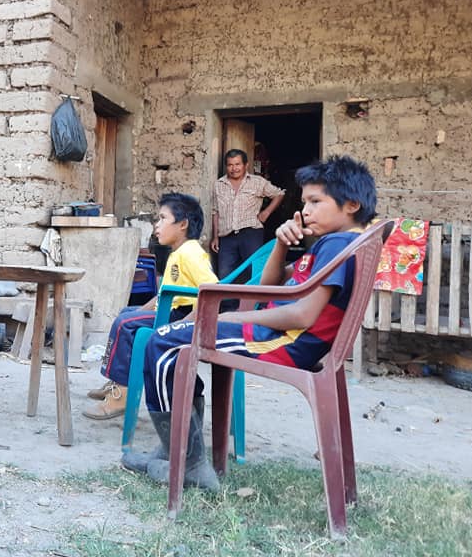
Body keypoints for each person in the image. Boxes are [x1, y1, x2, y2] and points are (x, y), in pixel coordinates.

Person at [123, 155, 377, 489]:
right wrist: (282, 244)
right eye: (305, 202)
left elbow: (302, 314)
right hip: (278, 336)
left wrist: (235, 315)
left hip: (280, 341)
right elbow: (270, 287)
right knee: (173, 341)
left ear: (351, 204)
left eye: (316, 201)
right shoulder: (336, 245)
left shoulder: (337, 245)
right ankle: (181, 451)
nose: (307, 211)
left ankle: (186, 461)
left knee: (161, 342)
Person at [82, 193, 218, 420]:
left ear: (182, 224)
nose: (157, 225)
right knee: (127, 315)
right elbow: (164, 295)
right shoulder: (179, 253)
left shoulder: (191, 253)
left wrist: (184, 324)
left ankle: (121, 396)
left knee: (126, 324)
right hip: (170, 311)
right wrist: (139, 311)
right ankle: (117, 381)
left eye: (163, 219)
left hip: (183, 316)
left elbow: (213, 292)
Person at [210, 149, 284, 280]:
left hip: (251, 234)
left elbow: (279, 194)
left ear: (246, 165)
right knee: (225, 275)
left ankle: (256, 301)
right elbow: (216, 212)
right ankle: (228, 302)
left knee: (254, 272)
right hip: (227, 237)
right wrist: (216, 237)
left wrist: (266, 212)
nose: (234, 169)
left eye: (237, 164)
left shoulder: (257, 182)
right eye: (230, 165)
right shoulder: (219, 185)